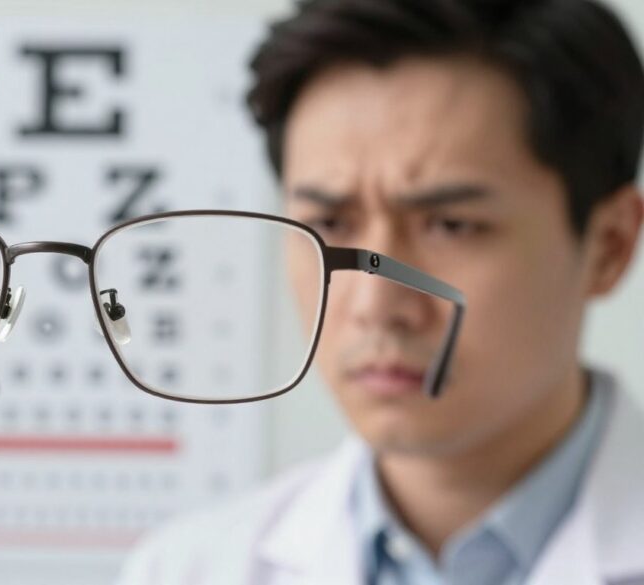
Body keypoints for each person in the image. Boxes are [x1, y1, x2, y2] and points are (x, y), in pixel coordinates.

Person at [116, 0, 644, 583]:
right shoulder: (188, 569)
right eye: (330, 226)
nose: (374, 305)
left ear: (610, 246)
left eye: (451, 226)